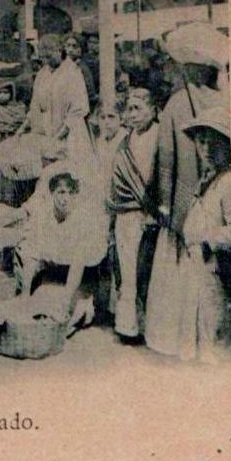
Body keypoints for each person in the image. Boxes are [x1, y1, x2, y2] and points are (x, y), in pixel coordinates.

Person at [145, 106, 231, 361]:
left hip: (211, 267)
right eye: (201, 142)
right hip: (194, 267)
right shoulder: (207, 179)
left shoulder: (228, 182)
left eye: (213, 143)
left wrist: (206, 238)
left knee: (212, 329)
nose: (206, 150)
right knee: (195, 331)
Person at [14, 170, 108, 329]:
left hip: (79, 279)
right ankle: (25, 298)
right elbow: (33, 248)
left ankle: (67, 303)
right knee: (39, 307)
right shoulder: (44, 215)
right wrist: (25, 295)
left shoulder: (81, 217)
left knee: (77, 314)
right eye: (61, 192)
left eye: (70, 193)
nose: (65, 198)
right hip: (55, 275)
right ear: (52, 193)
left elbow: (87, 253)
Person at [107, 88, 161, 340]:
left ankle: (148, 326)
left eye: (138, 108)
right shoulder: (125, 141)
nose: (133, 114)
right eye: (129, 109)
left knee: (146, 270)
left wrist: (153, 211)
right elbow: (117, 178)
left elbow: (162, 178)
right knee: (126, 269)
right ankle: (128, 326)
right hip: (126, 214)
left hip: (149, 215)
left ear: (153, 109)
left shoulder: (159, 137)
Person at [27, 34, 93, 165]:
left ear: (59, 51)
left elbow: (78, 110)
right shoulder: (42, 74)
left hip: (71, 133)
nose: (46, 61)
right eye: (43, 57)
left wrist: (58, 136)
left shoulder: (72, 72)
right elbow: (35, 105)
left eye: (49, 56)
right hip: (47, 131)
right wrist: (28, 127)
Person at [64, 33, 96, 107]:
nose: (70, 50)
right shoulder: (63, 66)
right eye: (68, 46)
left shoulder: (82, 68)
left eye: (74, 46)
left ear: (81, 49)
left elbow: (90, 94)